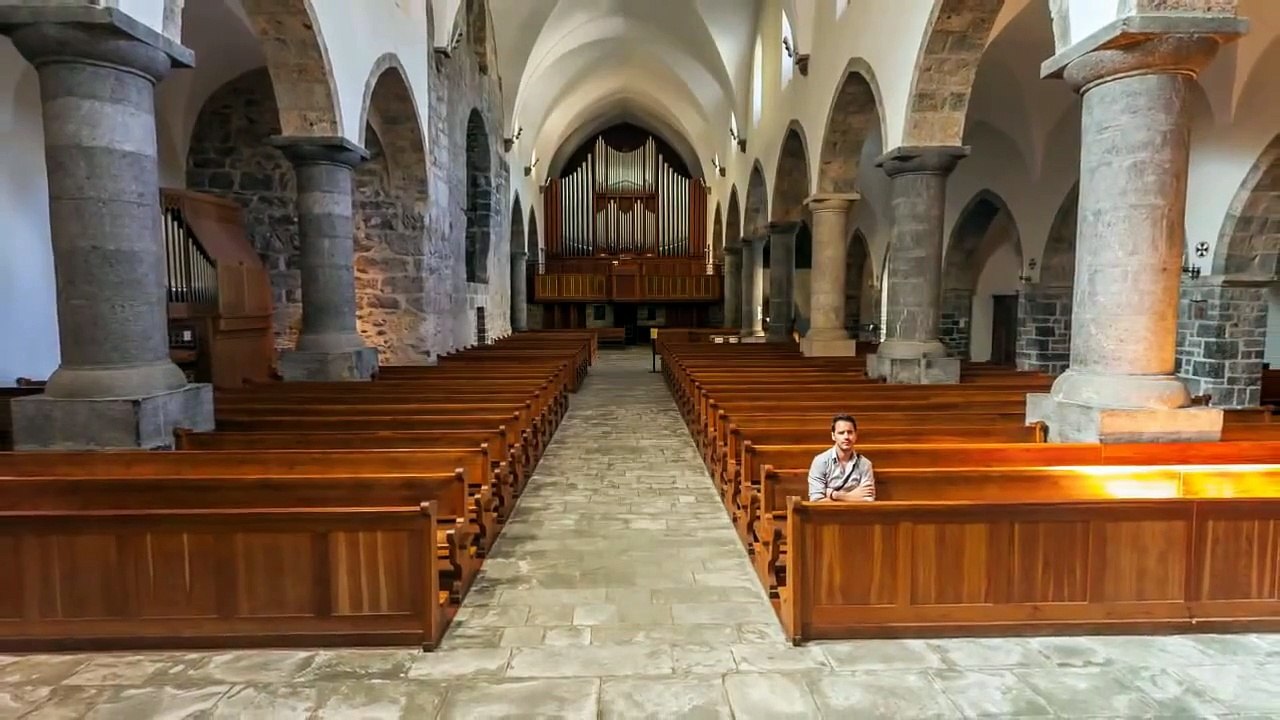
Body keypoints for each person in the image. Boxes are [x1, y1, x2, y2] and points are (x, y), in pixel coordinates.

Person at [807, 413, 875, 502]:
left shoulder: (865, 464)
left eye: (850, 432)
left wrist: (833, 494)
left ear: (855, 435)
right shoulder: (820, 461)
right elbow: (816, 500)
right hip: (826, 515)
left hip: (857, 514)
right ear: (833, 436)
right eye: (841, 433)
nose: (846, 437)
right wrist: (852, 496)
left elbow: (868, 500)